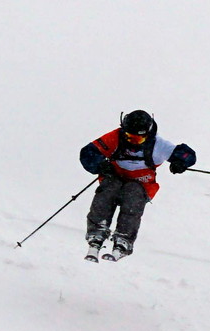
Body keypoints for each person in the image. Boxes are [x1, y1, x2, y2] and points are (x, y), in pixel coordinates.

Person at [79, 109, 196, 261]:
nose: (133, 142)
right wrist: (100, 166)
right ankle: (97, 232)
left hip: (142, 184)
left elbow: (188, 155)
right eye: (129, 137)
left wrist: (180, 163)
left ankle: (124, 239)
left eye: (138, 139)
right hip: (115, 178)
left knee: (132, 194)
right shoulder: (115, 137)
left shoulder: (158, 145)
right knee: (107, 190)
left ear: (147, 135)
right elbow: (88, 153)